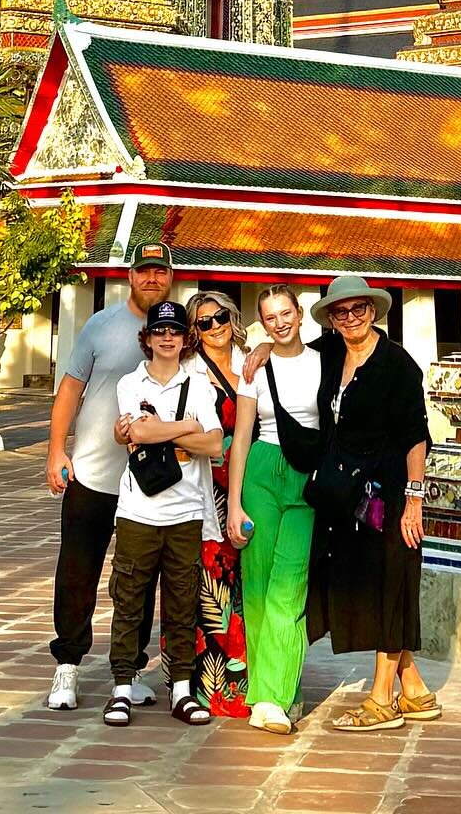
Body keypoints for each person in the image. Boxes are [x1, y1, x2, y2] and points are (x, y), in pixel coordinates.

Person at [44, 240, 174, 712]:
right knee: (78, 573)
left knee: (138, 578)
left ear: (170, 277)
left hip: (148, 484)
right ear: (130, 277)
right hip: (94, 475)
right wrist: (57, 449)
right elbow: (70, 391)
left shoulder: (179, 330)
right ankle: (68, 666)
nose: (152, 279)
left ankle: (131, 667)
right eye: (144, 272)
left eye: (160, 272)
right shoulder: (101, 326)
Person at [304, 274, 438, 732]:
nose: (351, 318)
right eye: (341, 312)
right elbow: (287, 358)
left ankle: (381, 700)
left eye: (359, 309)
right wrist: (261, 350)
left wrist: (414, 499)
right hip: (347, 498)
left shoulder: (397, 364)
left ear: (373, 311)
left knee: (391, 583)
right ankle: (414, 688)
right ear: (331, 319)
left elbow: (416, 436)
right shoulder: (326, 354)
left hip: (391, 493)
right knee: (368, 585)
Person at [105, 299, 222, 727]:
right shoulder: (131, 383)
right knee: (129, 598)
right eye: (159, 331)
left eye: (174, 332)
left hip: (186, 509)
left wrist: (165, 435)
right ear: (147, 337)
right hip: (139, 508)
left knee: (182, 600)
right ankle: (121, 685)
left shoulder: (200, 385)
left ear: (185, 338)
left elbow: (215, 445)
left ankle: (182, 689)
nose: (167, 338)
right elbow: (137, 430)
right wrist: (188, 428)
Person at [226, 283, 321, 733]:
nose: (279, 323)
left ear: (300, 314)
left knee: (290, 585)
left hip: (307, 477)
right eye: (269, 318)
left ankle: (272, 695)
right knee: (259, 588)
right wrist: (233, 504)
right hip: (262, 470)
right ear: (261, 322)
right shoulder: (253, 369)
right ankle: (274, 693)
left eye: (285, 313)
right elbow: (241, 437)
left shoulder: (324, 361)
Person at [184, 289, 249, 718]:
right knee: (214, 588)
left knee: (247, 588)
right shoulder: (190, 371)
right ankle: (209, 687)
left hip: (251, 486)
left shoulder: (251, 360)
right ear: (195, 331)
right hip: (211, 493)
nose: (214, 327)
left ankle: (248, 680)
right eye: (203, 322)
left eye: (220, 317)